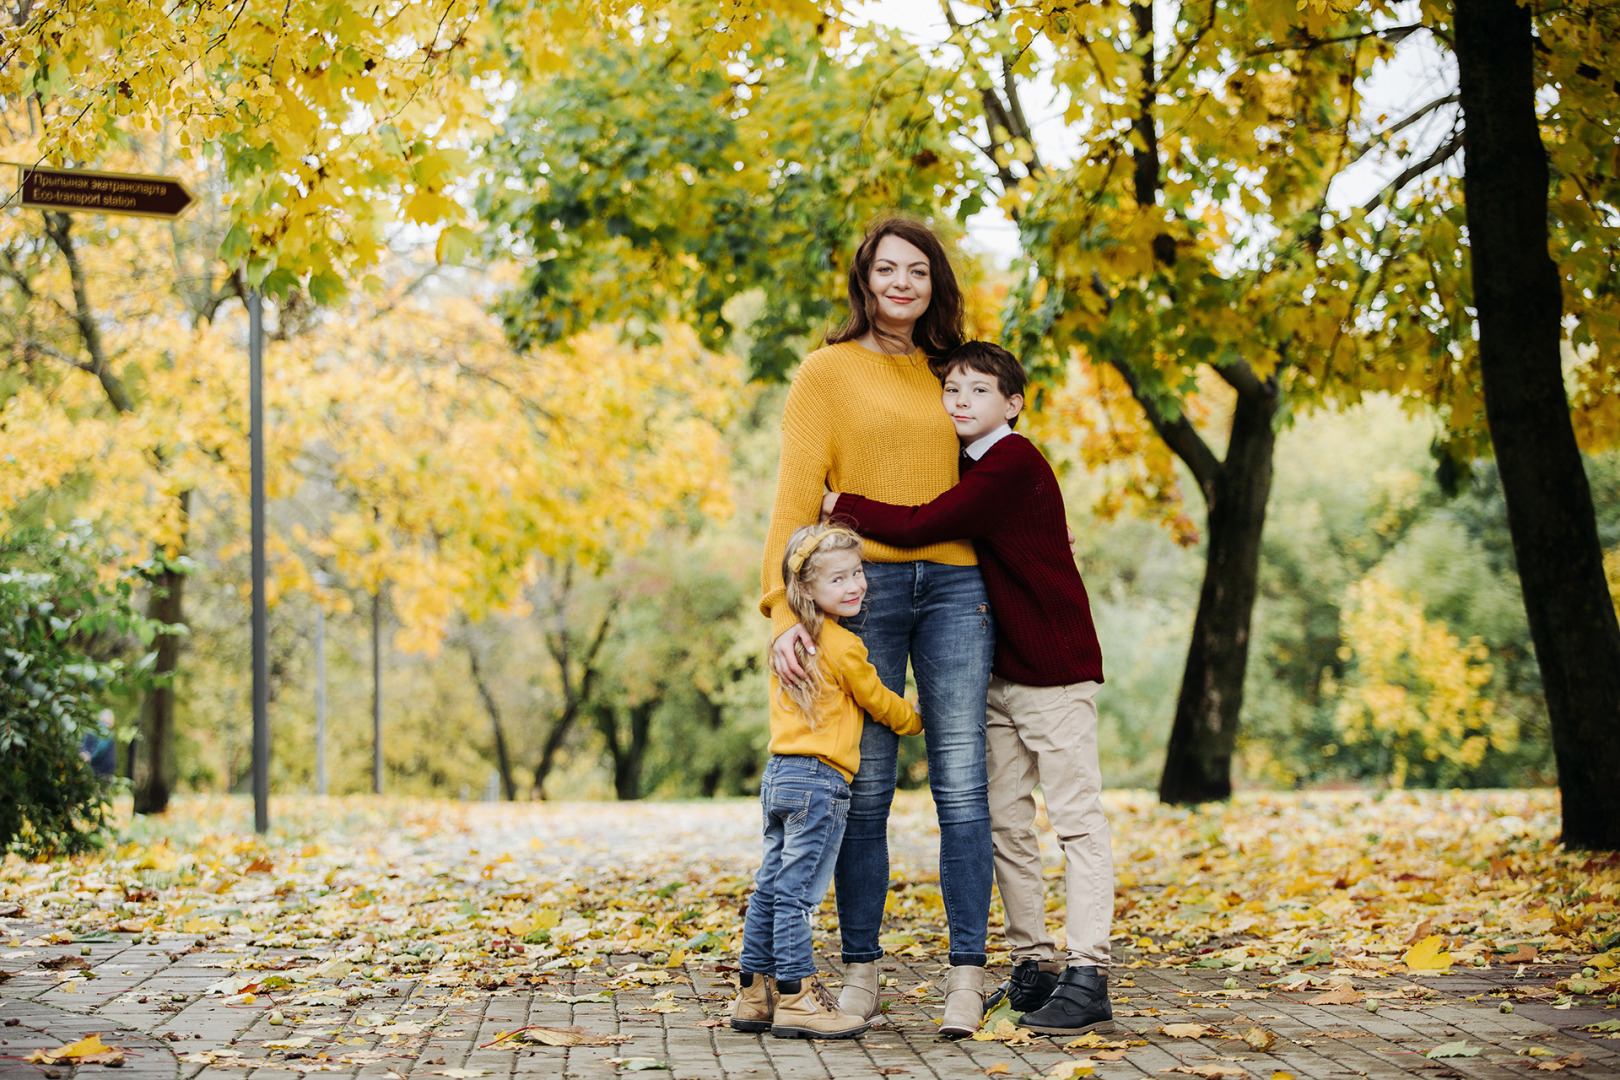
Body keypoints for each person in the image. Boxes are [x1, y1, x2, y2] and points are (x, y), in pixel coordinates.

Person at [823, 340, 1115, 1036]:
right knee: (1009, 823)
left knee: (1077, 822)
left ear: (1012, 404)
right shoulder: (969, 461)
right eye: (950, 389)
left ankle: (1089, 973)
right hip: (1003, 673)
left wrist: (840, 501)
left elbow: (929, 523)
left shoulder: (1013, 461)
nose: (959, 400)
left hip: (1057, 670)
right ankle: (1034, 967)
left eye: (978, 390)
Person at [760, 217, 998, 1036]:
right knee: (862, 789)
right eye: (887, 269)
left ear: (936, 284)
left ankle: (968, 975)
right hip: (864, 590)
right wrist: (782, 607)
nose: (902, 283)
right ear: (864, 280)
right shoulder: (826, 372)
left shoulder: (952, 372)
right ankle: (860, 971)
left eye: (918, 271)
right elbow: (796, 495)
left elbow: (998, 469)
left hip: (958, 587)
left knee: (963, 784)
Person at [732, 523, 924, 1040]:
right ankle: (797, 997)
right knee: (796, 895)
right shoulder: (843, 645)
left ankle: (756, 993)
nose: (855, 585)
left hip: (779, 777)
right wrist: (915, 716)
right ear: (807, 591)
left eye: (858, 573)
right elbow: (879, 701)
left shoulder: (786, 646)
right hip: (820, 783)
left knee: (770, 888)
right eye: (838, 579)